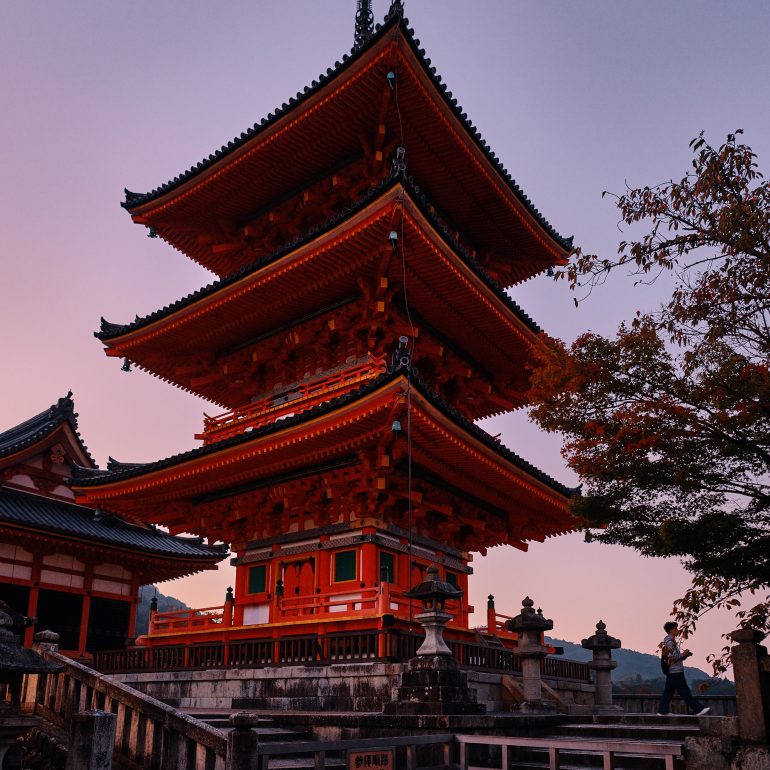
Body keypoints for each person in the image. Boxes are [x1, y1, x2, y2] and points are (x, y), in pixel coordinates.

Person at [657, 621, 710, 716]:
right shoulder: (669, 642)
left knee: (668, 692)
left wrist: (685, 655)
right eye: (676, 628)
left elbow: (675, 656)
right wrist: (683, 654)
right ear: (671, 630)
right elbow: (672, 657)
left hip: (672, 671)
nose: (678, 630)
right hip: (675, 671)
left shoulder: (670, 641)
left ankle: (662, 711)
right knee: (684, 691)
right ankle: (698, 709)